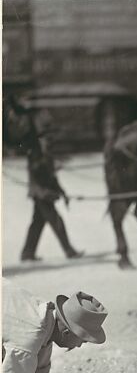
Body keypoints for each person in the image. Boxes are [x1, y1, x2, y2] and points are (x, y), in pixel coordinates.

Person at [16, 99, 83, 262]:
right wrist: (52, 188)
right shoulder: (37, 154)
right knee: (56, 220)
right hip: (40, 193)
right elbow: (40, 174)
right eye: (47, 139)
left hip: (42, 192)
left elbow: (51, 177)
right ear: (40, 139)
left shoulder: (46, 155)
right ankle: (69, 251)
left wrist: (62, 192)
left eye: (51, 139)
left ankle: (27, 253)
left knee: (37, 223)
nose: (50, 142)